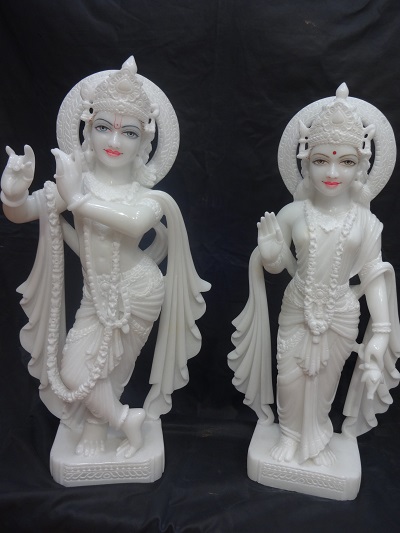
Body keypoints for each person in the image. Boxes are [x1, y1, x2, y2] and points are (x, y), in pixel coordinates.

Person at [1, 57, 210, 459]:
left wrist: (78, 200)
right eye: (103, 127)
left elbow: (133, 225)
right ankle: (124, 420)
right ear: (87, 130)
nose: (114, 141)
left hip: (139, 289)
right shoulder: (76, 183)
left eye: (128, 132)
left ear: (144, 143)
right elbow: (25, 212)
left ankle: (99, 428)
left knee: (111, 368)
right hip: (97, 293)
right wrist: (13, 192)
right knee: (74, 369)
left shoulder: (147, 196)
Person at [229, 84, 400, 467]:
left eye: (346, 162)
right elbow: (278, 265)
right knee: (289, 377)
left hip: (341, 312)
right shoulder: (293, 214)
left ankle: (316, 437)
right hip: (298, 305)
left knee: (325, 382)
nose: (333, 172)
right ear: (306, 164)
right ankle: (290, 436)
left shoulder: (366, 222)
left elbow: (373, 273)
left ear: (361, 167)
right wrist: (270, 255)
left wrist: (382, 330)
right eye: (321, 161)